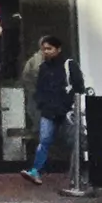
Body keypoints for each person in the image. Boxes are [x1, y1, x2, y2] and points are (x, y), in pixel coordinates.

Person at [24, 34, 83, 185]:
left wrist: (69, 102)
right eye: (44, 49)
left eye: (49, 48)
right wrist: (41, 103)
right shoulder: (43, 67)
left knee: (73, 142)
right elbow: (39, 88)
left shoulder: (69, 65)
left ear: (58, 49)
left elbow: (79, 86)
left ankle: (77, 175)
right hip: (49, 111)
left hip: (67, 111)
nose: (46, 52)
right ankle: (36, 171)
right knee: (44, 140)